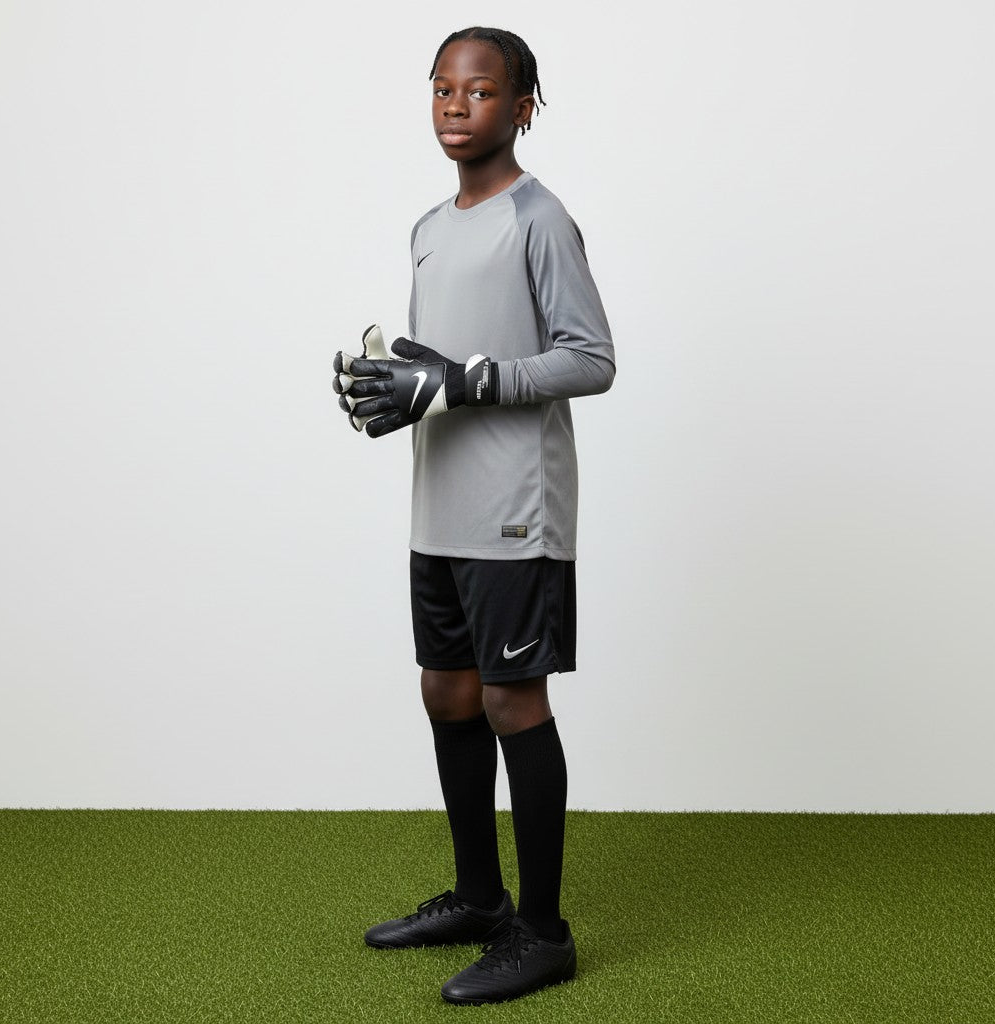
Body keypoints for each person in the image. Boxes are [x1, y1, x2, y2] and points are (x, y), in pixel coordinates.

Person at [332, 26, 615, 1005]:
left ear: (523, 107)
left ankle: (543, 932)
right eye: (443, 88)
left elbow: (592, 359)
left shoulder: (539, 219)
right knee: (447, 695)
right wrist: (397, 390)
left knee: (510, 702)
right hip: (437, 505)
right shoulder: (427, 225)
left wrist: (466, 379)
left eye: (481, 90)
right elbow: (439, 374)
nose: (457, 105)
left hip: (513, 513)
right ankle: (479, 897)